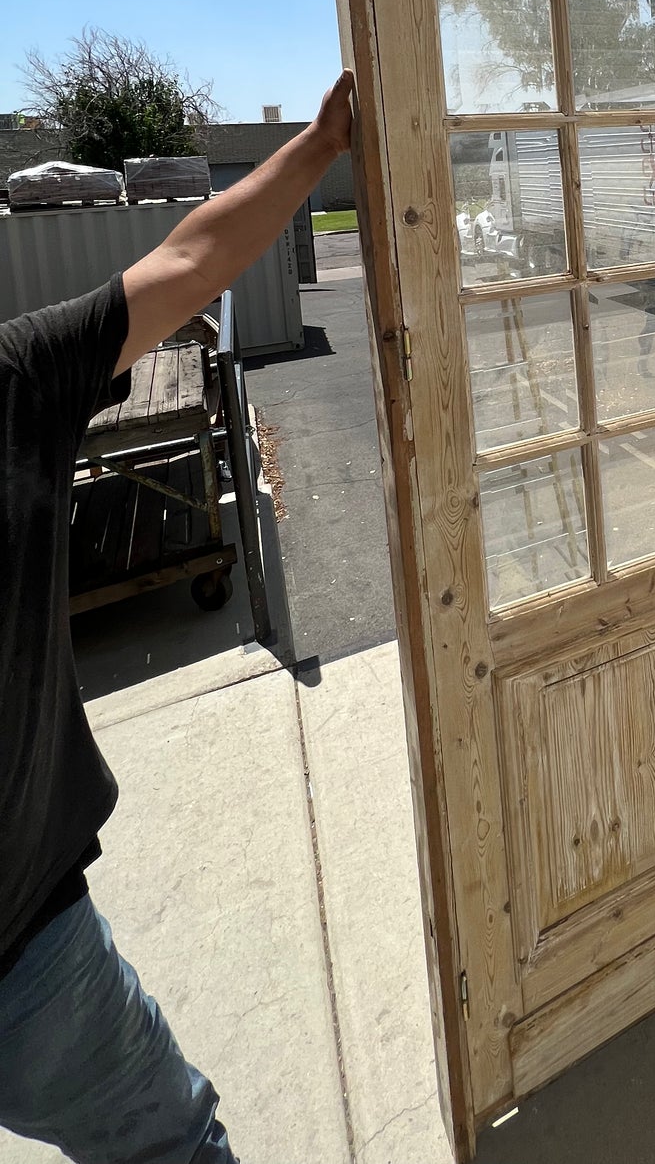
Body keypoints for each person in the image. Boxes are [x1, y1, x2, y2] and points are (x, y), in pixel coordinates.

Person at [0, 72, 355, 1163]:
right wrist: (319, 146)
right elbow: (191, 262)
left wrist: (316, 143)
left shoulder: (18, 377)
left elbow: (193, 254)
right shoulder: (15, 379)